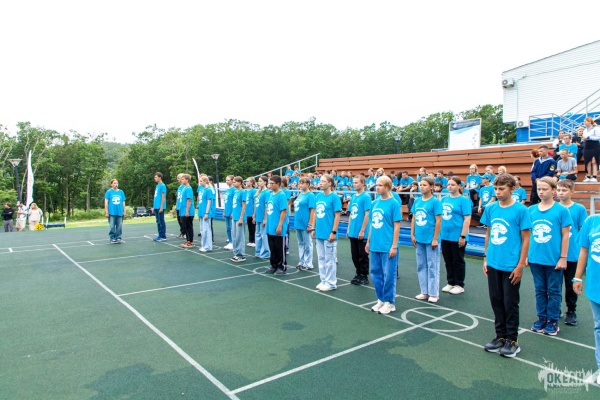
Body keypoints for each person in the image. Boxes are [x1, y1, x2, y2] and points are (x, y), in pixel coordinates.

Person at [481, 174, 531, 358]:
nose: (498, 192)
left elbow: (526, 239)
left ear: (512, 189)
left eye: (502, 189)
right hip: (493, 262)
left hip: (511, 265)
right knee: (496, 300)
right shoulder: (491, 208)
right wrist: (486, 258)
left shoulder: (521, 210)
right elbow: (488, 234)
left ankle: (512, 340)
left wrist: (520, 265)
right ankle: (500, 336)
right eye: (496, 189)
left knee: (510, 303)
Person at [527, 177, 571, 336]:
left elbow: (565, 236)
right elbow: (527, 235)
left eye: (544, 189)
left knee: (554, 291)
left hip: (553, 259)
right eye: (539, 189)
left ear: (553, 191)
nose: (541, 192)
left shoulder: (561, 211)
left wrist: (563, 257)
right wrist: (526, 255)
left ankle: (552, 320)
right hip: (535, 258)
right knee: (539, 289)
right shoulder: (531, 210)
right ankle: (542, 318)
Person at [366, 175, 401, 315]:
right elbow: (371, 224)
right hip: (375, 244)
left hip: (387, 245)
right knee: (375, 273)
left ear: (387, 187)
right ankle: (380, 299)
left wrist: (394, 246)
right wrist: (368, 241)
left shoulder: (394, 203)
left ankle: (389, 302)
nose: (377, 187)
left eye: (380, 185)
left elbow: (397, 226)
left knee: (389, 275)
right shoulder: (374, 203)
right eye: (376, 185)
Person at [572, 213, 600, 386]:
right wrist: (577, 277)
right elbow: (584, 250)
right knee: (599, 327)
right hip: (596, 285)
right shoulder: (592, 221)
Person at [557, 179, 588, 326]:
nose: (561, 193)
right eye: (559, 190)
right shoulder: (554, 207)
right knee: (555, 285)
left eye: (564, 190)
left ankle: (571, 310)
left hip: (573, 253)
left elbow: (583, 230)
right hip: (555, 253)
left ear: (572, 192)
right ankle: (555, 308)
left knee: (570, 284)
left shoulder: (579, 209)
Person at [410, 177, 442, 303]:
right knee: (421, 265)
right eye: (421, 184)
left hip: (430, 239)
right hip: (419, 238)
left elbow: (438, 220)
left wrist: (435, 238)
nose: (422, 187)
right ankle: (424, 291)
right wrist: (412, 234)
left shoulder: (435, 202)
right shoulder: (417, 201)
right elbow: (413, 218)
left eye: (424, 185)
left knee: (432, 265)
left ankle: (434, 293)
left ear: (431, 187)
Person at [440, 177, 472, 295]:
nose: (450, 186)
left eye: (453, 184)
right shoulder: (444, 199)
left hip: (457, 236)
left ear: (459, 186)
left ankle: (459, 284)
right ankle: (450, 282)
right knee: (447, 260)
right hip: (445, 235)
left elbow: (467, 218)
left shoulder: (463, 200)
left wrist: (462, 236)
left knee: (457, 260)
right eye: (448, 184)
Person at [311, 174, 341, 291]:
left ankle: (331, 283)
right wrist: (313, 228)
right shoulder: (318, 196)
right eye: (320, 181)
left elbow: (337, 215)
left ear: (330, 183)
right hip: (319, 232)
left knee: (330, 260)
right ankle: (324, 280)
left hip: (329, 233)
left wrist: (333, 232)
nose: (321, 183)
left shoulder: (334, 197)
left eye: (323, 181)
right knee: (321, 258)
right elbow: (315, 214)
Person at [347, 175, 372, 285]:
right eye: (354, 182)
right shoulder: (354, 197)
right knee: (354, 255)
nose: (354, 184)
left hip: (361, 232)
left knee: (363, 255)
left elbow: (367, 214)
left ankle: (364, 275)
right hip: (353, 231)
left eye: (356, 182)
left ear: (363, 183)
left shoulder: (366, 197)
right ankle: (358, 273)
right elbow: (351, 214)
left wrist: (362, 230)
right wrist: (348, 228)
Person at [265, 175, 288, 274]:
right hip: (270, 225)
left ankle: (281, 266)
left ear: (278, 184)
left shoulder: (281, 195)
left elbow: (283, 211)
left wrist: (279, 226)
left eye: (272, 183)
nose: (270, 185)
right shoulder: (271, 194)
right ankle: (273, 265)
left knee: (279, 248)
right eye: (269, 183)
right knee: (272, 247)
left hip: (277, 225)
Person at [293, 177, 316, 271]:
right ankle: (302, 261)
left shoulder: (310, 195)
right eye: (300, 183)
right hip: (298, 223)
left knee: (307, 244)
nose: (300, 185)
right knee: (301, 243)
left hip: (305, 223)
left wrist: (310, 224)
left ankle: (308, 263)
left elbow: (313, 211)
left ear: (308, 184)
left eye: (302, 183)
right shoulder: (300, 194)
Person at [254, 176, 271, 260]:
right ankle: (258, 251)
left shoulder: (267, 192)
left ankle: (265, 253)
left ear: (265, 182)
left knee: (264, 236)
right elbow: (256, 205)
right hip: (258, 217)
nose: (259, 182)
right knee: (257, 235)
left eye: (261, 181)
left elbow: (266, 206)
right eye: (258, 181)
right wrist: (254, 215)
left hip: (262, 217)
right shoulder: (258, 192)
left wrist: (265, 219)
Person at [104, 179, 126, 244]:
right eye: (114, 183)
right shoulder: (109, 192)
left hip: (120, 212)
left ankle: (118, 238)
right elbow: (106, 202)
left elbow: (123, 202)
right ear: (111, 184)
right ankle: (112, 238)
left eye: (117, 183)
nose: (116, 184)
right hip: (112, 212)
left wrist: (124, 211)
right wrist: (107, 212)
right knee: (112, 226)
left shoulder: (121, 192)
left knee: (119, 226)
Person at [230, 176, 247, 262]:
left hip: (240, 217)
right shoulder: (236, 191)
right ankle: (236, 253)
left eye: (235, 182)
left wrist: (241, 218)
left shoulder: (243, 192)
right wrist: (232, 213)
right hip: (235, 216)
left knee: (239, 236)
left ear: (240, 182)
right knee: (234, 236)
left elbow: (243, 206)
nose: (233, 183)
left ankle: (241, 255)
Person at [198, 174, 215, 252]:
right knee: (202, 230)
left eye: (201, 181)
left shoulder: (208, 190)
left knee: (206, 230)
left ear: (205, 181)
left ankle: (207, 246)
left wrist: (206, 213)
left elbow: (209, 202)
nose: (200, 182)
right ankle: (204, 245)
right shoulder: (204, 189)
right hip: (201, 211)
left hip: (206, 212)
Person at [178, 174, 195, 248]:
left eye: (183, 179)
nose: (181, 180)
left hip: (188, 211)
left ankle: (190, 241)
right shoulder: (184, 188)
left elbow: (189, 200)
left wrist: (187, 211)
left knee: (188, 226)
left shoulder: (188, 188)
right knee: (185, 226)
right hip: (183, 210)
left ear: (187, 180)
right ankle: (188, 240)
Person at [582, 117, 600, 182]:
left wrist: (589, 137)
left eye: (585, 121)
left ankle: (594, 176)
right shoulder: (585, 130)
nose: (584, 122)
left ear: (590, 122)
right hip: (587, 146)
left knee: (594, 161)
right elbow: (584, 137)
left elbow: (598, 137)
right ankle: (588, 176)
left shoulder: (596, 128)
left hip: (594, 145)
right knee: (587, 161)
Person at [152, 172, 167, 241]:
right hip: (156, 206)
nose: (155, 178)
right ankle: (159, 235)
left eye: (156, 177)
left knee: (161, 221)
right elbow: (156, 197)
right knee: (158, 221)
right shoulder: (157, 186)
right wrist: (154, 206)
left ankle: (163, 236)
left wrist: (161, 206)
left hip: (160, 206)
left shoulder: (162, 186)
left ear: (160, 177)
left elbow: (163, 197)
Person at [223, 175, 235, 250]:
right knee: (228, 228)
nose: (226, 182)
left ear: (232, 180)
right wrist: (224, 211)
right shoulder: (227, 190)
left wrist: (232, 212)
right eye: (226, 180)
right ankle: (230, 241)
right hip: (227, 211)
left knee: (231, 228)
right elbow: (226, 202)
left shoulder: (234, 190)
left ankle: (233, 242)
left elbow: (234, 202)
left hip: (231, 212)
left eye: (228, 180)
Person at [245, 177, 257, 248]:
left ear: (252, 182)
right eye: (246, 181)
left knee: (253, 227)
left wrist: (254, 213)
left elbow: (255, 203)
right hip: (247, 212)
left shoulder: (254, 191)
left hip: (252, 212)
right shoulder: (246, 191)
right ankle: (251, 240)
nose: (246, 182)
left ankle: (254, 241)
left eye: (248, 181)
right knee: (249, 227)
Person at [175, 174, 185, 239]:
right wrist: (176, 205)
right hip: (178, 206)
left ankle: (185, 232)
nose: (178, 179)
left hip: (182, 206)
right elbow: (177, 197)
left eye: (178, 178)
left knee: (183, 220)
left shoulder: (185, 187)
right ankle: (182, 232)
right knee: (179, 220)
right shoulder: (179, 187)